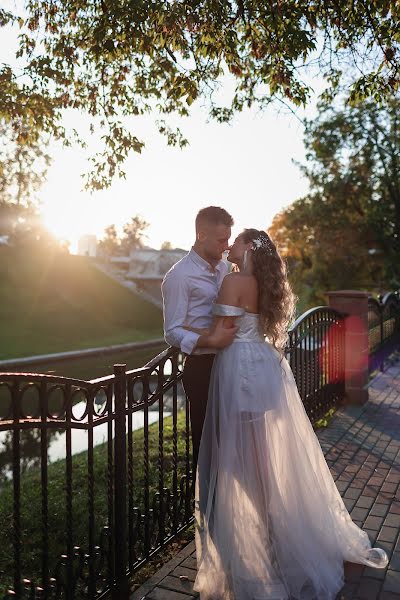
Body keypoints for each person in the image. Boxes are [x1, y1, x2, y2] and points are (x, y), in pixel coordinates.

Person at [193, 228, 389, 600]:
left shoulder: (235, 280)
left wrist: (188, 335)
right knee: (261, 456)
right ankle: (277, 528)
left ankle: (265, 537)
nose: (230, 245)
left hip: (240, 371)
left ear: (249, 248)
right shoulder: (266, 282)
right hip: (264, 368)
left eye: (236, 242)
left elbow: (222, 335)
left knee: (243, 459)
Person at [161, 206, 237, 475]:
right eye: (221, 240)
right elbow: (172, 331)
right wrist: (211, 340)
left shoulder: (226, 266)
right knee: (206, 446)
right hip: (202, 369)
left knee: (233, 442)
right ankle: (207, 510)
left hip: (231, 365)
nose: (226, 246)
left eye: (229, 239)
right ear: (201, 234)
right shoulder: (179, 276)